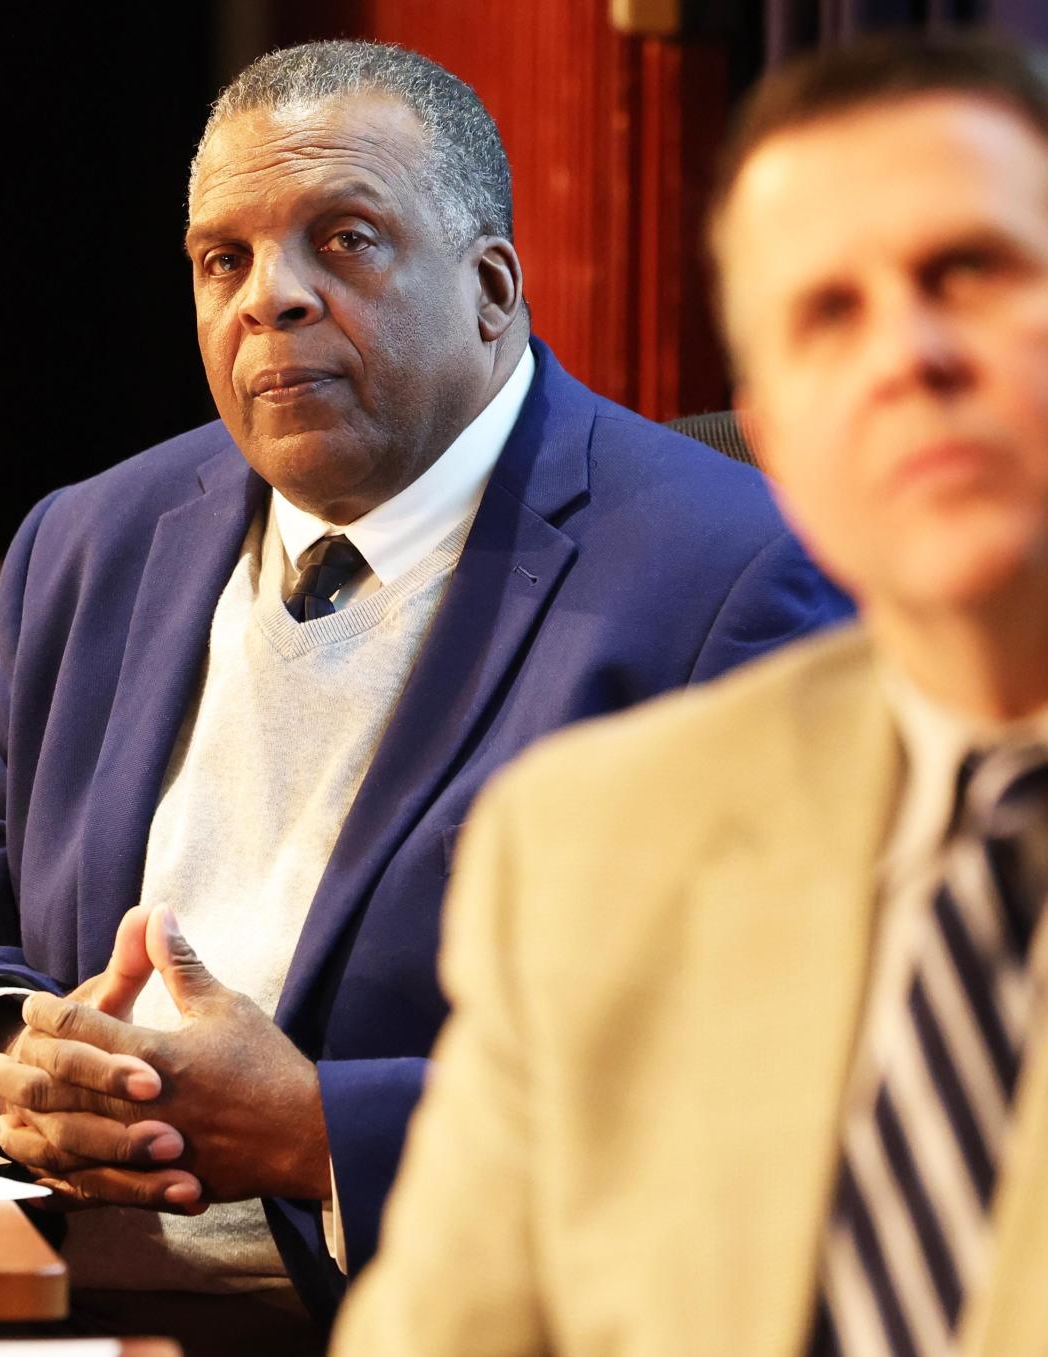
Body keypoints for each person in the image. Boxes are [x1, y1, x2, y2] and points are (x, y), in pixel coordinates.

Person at [0, 39, 846, 1353]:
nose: (274, 300)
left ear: (491, 290)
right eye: (225, 261)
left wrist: (319, 1128)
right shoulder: (92, 539)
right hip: (45, 1302)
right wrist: (1, 1049)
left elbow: (767, 1083)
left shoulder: (730, 573)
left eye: (346, 240)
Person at [331, 31, 1048, 1357]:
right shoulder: (592, 852)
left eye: (969, 270)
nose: (908, 354)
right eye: (824, 315)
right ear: (768, 433)